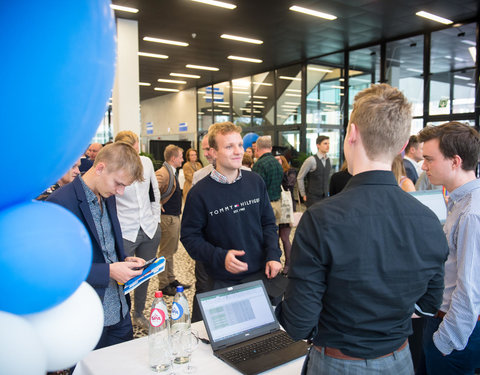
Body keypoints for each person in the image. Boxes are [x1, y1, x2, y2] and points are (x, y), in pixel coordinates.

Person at [276, 84, 449, 374]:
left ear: (352, 134)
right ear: (403, 145)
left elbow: (298, 323)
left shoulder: (320, 219)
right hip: (401, 360)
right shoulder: (429, 219)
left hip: (338, 363)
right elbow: (429, 304)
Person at [47, 142, 146, 349]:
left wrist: (124, 259)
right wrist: (109, 271)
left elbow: (106, 245)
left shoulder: (108, 196)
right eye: (118, 183)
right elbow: (57, 269)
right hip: (86, 316)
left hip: (120, 310)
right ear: (100, 168)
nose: (120, 192)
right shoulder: (60, 203)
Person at [181, 122, 282, 315]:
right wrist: (220, 256)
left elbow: (268, 223)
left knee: (263, 340)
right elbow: (189, 238)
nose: (238, 152)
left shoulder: (255, 182)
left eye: (239, 145)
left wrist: (273, 255)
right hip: (221, 281)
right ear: (213, 152)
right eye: (229, 146)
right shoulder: (199, 194)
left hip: (260, 276)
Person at [417, 122, 480, 375]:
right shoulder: (459, 202)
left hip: (455, 334)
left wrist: (444, 342)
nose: (423, 166)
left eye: (429, 159)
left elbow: (470, 290)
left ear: (455, 161)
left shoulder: (470, 214)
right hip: (447, 325)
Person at [114, 131, 161, 330]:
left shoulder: (146, 163)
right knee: (121, 277)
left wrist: (156, 219)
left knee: (145, 274)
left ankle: (138, 313)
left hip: (149, 229)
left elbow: (154, 192)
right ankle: (121, 315)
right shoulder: (114, 167)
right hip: (125, 229)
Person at [155, 145, 190, 296]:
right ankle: (163, 284)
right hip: (167, 218)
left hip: (173, 217)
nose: (182, 159)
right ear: (174, 158)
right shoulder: (163, 173)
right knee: (165, 253)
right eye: (181, 156)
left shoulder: (171, 172)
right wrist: (157, 204)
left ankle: (171, 279)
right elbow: (151, 191)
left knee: (171, 251)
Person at [252, 136, 284, 223]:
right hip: (278, 204)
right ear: (271, 148)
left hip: (265, 206)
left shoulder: (259, 164)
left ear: (257, 148)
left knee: (264, 234)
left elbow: (256, 189)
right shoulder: (278, 163)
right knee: (273, 233)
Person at [275, 155, 297, 275]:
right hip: (276, 207)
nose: (277, 161)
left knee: (284, 237)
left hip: (287, 208)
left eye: (279, 159)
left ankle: (289, 264)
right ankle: (277, 262)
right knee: (275, 238)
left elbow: (289, 184)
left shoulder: (290, 172)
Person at [297, 135, 331, 207]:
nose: (328, 146)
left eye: (328, 143)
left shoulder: (329, 160)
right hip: (313, 198)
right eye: (325, 143)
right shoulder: (311, 160)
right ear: (318, 145)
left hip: (325, 197)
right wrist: (303, 194)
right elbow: (300, 177)